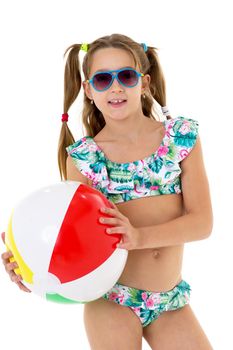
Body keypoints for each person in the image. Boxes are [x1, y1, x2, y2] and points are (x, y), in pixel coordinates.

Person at [1, 33, 214, 349]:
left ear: (144, 83)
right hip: (112, 300)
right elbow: (68, 232)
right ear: (88, 91)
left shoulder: (180, 138)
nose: (115, 87)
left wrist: (139, 237)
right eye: (102, 80)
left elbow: (202, 223)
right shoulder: (85, 158)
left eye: (126, 76)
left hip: (170, 299)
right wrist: (30, 260)